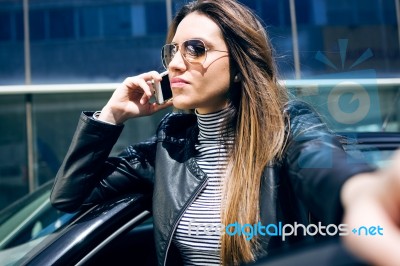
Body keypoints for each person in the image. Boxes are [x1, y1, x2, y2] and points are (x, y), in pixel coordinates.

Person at [50, 0, 400, 265]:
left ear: (238, 66)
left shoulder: (289, 127)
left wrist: (365, 193)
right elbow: (71, 196)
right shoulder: (171, 145)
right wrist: (110, 116)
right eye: (173, 49)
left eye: (196, 49)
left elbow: (321, 163)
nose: (174, 63)